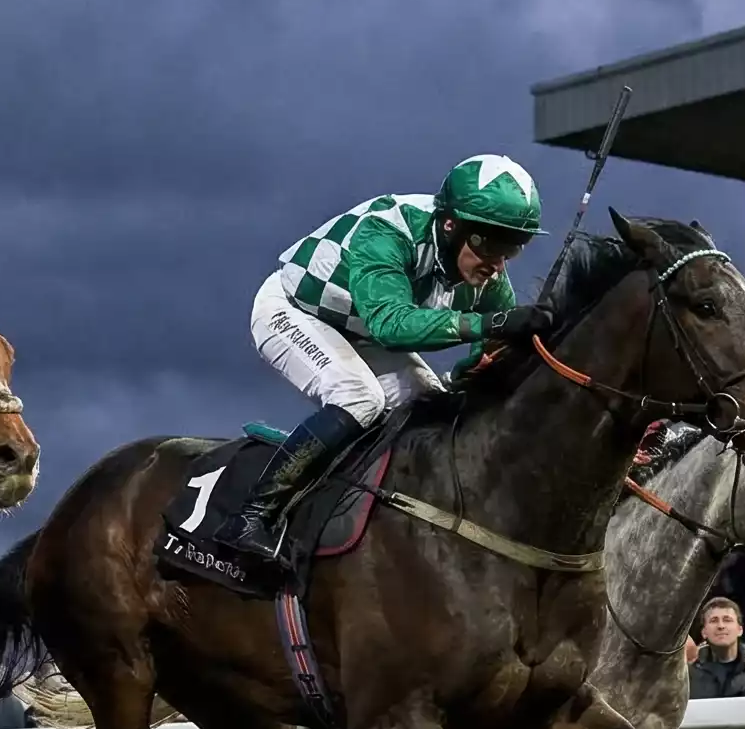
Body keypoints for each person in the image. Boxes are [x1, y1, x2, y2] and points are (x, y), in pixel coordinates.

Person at [231, 155, 555, 564]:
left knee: (433, 407)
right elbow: (390, 325)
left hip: (360, 329)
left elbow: (491, 348)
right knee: (359, 398)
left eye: (512, 247)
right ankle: (251, 516)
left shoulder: (486, 275)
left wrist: (491, 361)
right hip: (294, 311)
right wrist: (492, 323)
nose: (497, 263)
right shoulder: (387, 231)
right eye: (489, 244)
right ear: (451, 225)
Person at [686, 596, 745, 700]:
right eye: (714, 621)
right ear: (704, 632)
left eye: (727, 620)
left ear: (740, 630)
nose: (721, 626)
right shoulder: (688, 673)